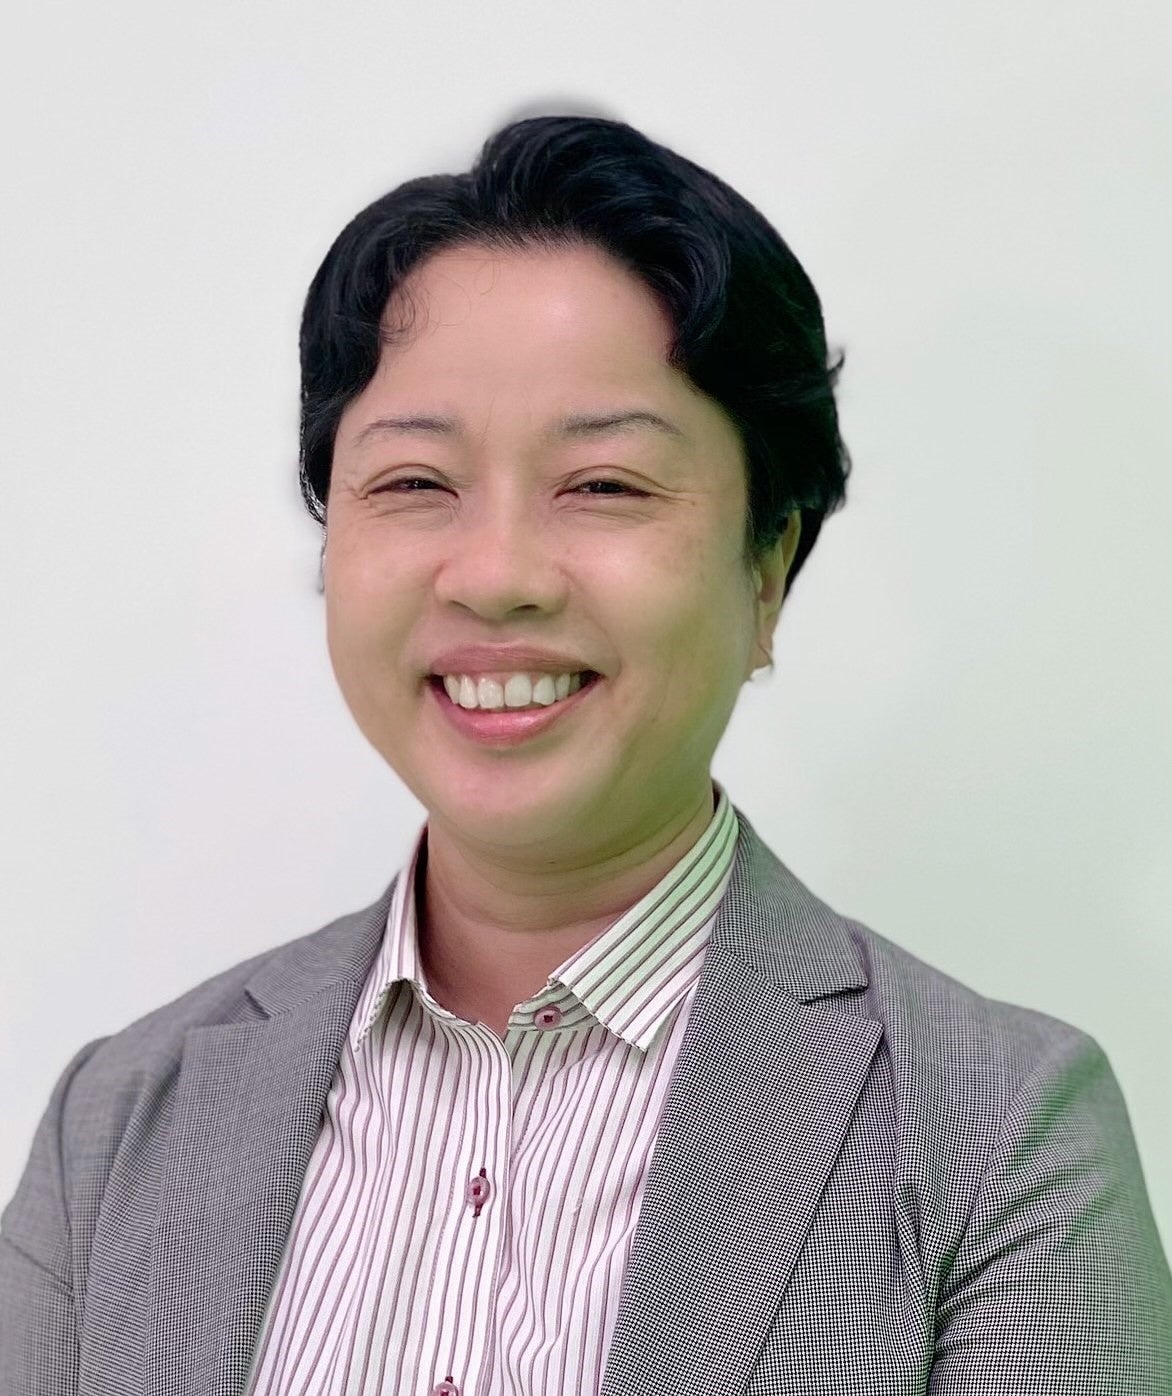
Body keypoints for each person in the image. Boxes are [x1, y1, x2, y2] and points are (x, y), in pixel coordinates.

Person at [1, 112, 1169, 1396]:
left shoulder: (1002, 1137)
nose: (495, 574)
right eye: (413, 483)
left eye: (604, 484)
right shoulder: (118, 1122)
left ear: (765, 570)